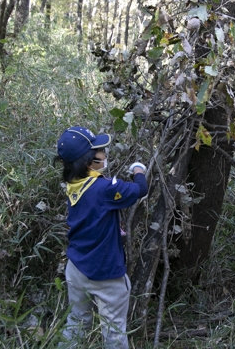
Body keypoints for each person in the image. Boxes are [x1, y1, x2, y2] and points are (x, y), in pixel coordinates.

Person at [55, 126, 148, 349]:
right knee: (114, 329)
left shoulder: (73, 183)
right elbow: (140, 189)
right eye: (100, 151)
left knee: (77, 322)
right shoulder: (105, 189)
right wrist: (138, 170)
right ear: (89, 162)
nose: (105, 154)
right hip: (106, 273)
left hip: (76, 268)